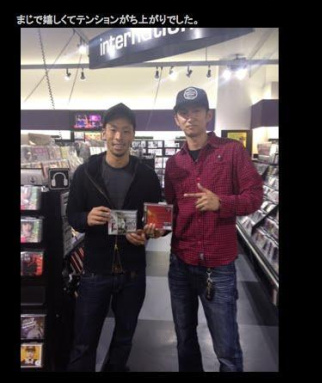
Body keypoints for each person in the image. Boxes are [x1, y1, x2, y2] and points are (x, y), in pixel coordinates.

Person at [160, 87, 263, 372]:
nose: (190, 117)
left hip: (218, 266)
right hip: (180, 263)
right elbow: (172, 209)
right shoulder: (174, 163)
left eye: (196, 111)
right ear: (176, 119)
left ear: (208, 115)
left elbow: (255, 196)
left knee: (227, 349)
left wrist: (222, 203)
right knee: (184, 340)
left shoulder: (232, 151)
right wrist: (156, 227)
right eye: (184, 112)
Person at [66, 103, 162, 372]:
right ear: (103, 132)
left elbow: (156, 221)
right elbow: (72, 215)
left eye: (126, 130)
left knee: (124, 339)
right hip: (95, 271)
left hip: (133, 272)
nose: (119, 136)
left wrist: (147, 234)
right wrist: (86, 218)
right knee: (84, 341)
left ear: (133, 135)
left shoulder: (146, 176)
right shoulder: (86, 173)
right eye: (113, 129)